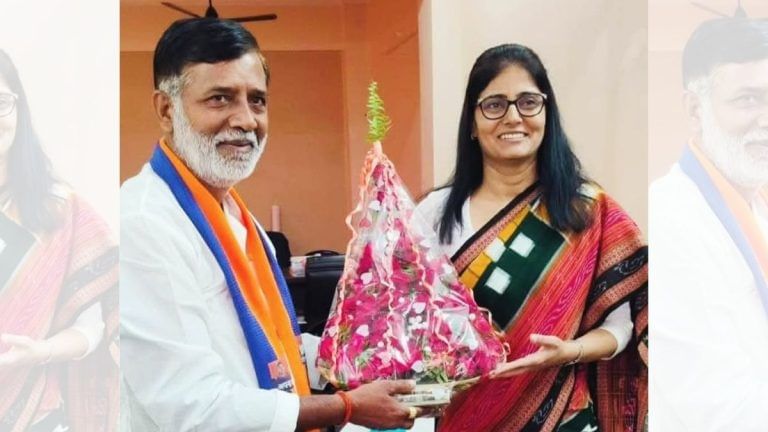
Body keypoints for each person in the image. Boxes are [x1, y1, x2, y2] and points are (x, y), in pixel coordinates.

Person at [120, 18, 419, 431]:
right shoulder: (142, 224)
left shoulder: (235, 215)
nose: (246, 120)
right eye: (220, 99)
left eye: (257, 100)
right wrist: (346, 407)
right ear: (166, 110)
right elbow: (194, 407)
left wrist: (376, 353)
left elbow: (274, 345)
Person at [416, 44, 647, 431]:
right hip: (466, 418)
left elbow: (623, 326)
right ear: (472, 123)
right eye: (494, 105)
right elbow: (409, 321)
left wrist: (569, 351)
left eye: (528, 102)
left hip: (563, 417)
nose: (513, 117)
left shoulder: (587, 210)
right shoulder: (435, 214)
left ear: (546, 114)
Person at [650, 18, 768, 431]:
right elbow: (723, 409)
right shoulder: (668, 219)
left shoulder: (757, 202)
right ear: (695, 110)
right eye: (748, 100)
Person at [0, 50, 119, 431]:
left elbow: (95, 326)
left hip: (38, 415)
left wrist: (40, 352)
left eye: (1, 102)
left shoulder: (61, 210)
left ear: (19, 109)